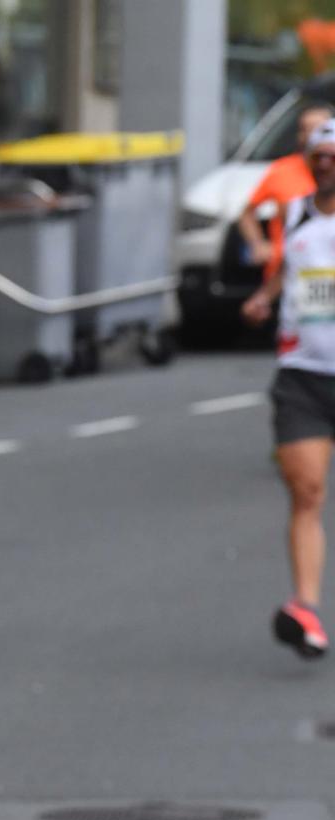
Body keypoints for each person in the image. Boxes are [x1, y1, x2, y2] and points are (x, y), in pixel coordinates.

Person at [245, 120, 335, 659]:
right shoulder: (298, 211)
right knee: (306, 492)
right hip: (302, 377)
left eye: (331, 156)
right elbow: (290, 268)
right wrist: (265, 297)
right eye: (316, 156)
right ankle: (305, 607)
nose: (322, 164)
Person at [237, 102, 334, 282]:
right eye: (307, 129)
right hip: (286, 278)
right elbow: (246, 213)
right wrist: (258, 244)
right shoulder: (282, 172)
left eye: (320, 128)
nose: (314, 134)